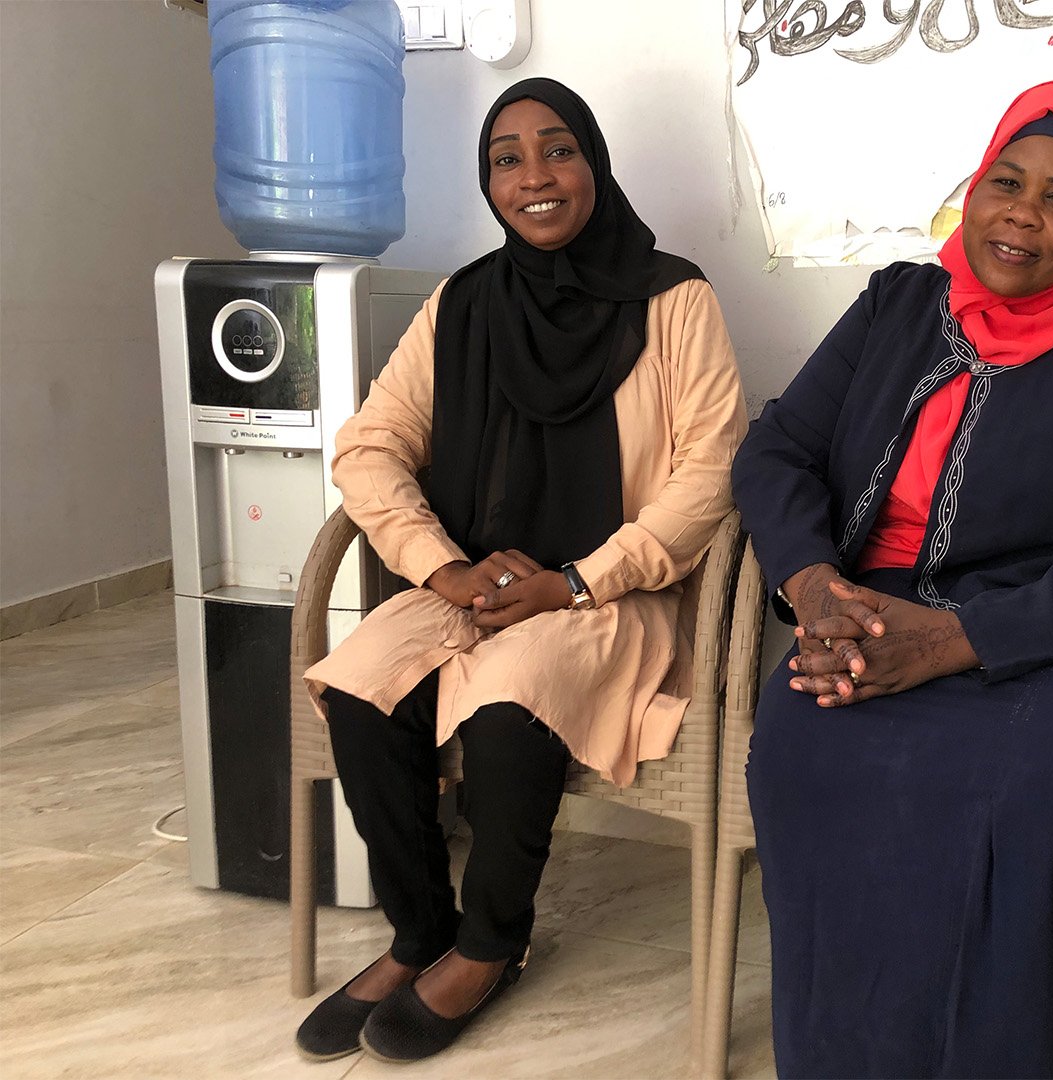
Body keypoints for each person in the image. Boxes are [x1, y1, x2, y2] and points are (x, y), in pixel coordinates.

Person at [731, 80, 1053, 1079]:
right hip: (873, 604)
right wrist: (815, 586)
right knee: (801, 737)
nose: (1023, 215)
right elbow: (777, 451)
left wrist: (952, 642)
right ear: (975, 187)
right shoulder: (893, 305)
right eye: (1007, 181)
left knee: (1040, 792)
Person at [293, 77, 746, 1065]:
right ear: (489, 181)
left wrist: (580, 578)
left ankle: (493, 945)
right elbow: (369, 447)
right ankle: (419, 934)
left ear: (594, 161)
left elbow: (711, 475)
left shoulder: (675, 298)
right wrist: (441, 567)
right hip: (474, 581)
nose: (534, 176)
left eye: (558, 149)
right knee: (363, 688)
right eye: (507, 157)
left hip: (609, 589)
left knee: (510, 709)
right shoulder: (464, 303)